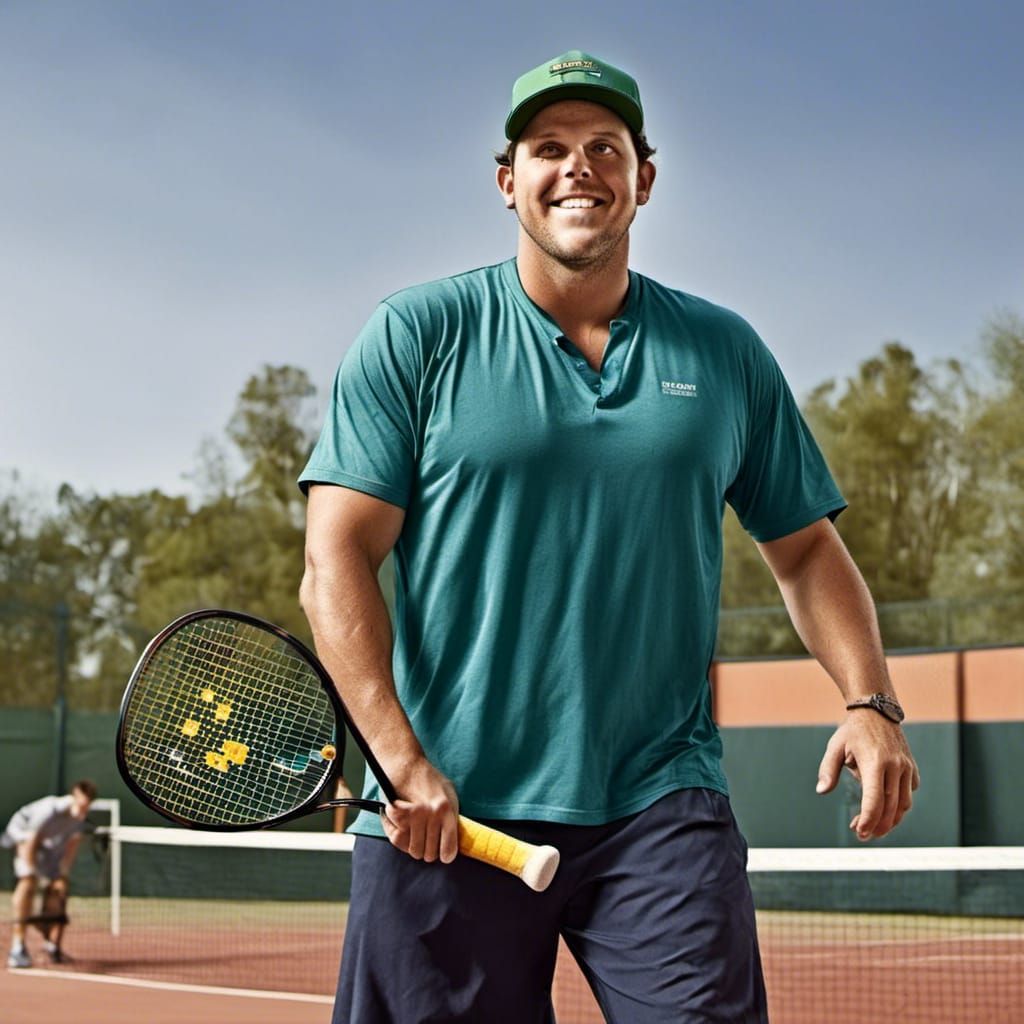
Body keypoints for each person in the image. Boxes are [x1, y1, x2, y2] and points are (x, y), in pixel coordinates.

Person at [298, 50, 920, 1023]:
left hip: (658, 803)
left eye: (604, 147)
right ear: (509, 183)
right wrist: (398, 759)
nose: (577, 166)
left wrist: (871, 700)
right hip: (442, 808)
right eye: (549, 148)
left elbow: (803, 547)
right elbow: (334, 557)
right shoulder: (417, 332)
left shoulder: (724, 353)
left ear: (644, 177)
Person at [3, 779, 97, 968]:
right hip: (24, 838)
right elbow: (31, 840)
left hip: (50, 849)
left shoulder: (80, 821)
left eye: (87, 806)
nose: (83, 809)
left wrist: (62, 873)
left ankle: (52, 946)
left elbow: (71, 847)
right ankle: (17, 947)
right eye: (81, 804)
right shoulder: (49, 809)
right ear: (74, 796)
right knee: (28, 882)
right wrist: (31, 871)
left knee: (61, 888)